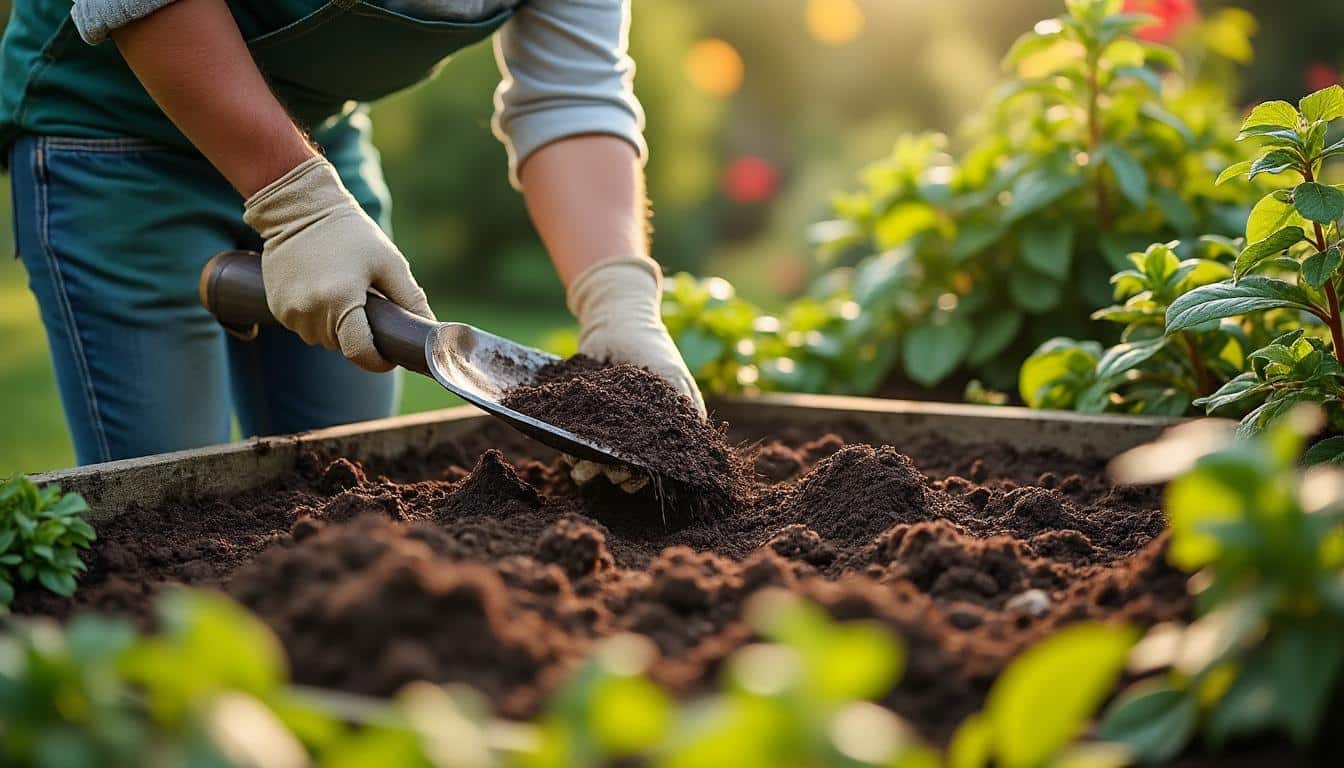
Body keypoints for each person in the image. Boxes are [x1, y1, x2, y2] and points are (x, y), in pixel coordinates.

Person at [0, 0, 705, 470]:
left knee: (348, 484)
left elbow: (573, 93)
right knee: (169, 504)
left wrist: (618, 298)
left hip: (315, 143)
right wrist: (296, 205)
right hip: (111, 132)